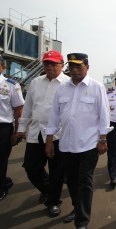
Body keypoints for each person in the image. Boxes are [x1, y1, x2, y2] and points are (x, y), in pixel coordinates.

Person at [45, 53, 111, 229]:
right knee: (72, 181)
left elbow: (104, 116)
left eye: (78, 66)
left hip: (89, 144)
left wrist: (103, 139)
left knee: (84, 181)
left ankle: (82, 221)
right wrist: (49, 140)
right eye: (72, 66)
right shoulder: (62, 88)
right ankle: (77, 208)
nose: (74, 70)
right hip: (66, 144)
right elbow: (54, 116)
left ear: (87, 67)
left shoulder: (97, 87)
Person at [14, 50, 69, 216]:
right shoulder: (36, 82)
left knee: (57, 171)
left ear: (62, 65)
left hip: (59, 134)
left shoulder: (69, 83)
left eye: (53, 63)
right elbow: (28, 107)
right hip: (36, 132)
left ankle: (53, 201)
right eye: (46, 63)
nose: (50, 66)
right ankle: (48, 189)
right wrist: (21, 129)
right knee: (31, 168)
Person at [0, 55, 24, 201]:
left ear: (2, 67)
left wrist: (17, 131)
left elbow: (18, 109)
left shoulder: (10, 85)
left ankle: (1, 187)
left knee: (1, 160)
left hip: (2, 128)